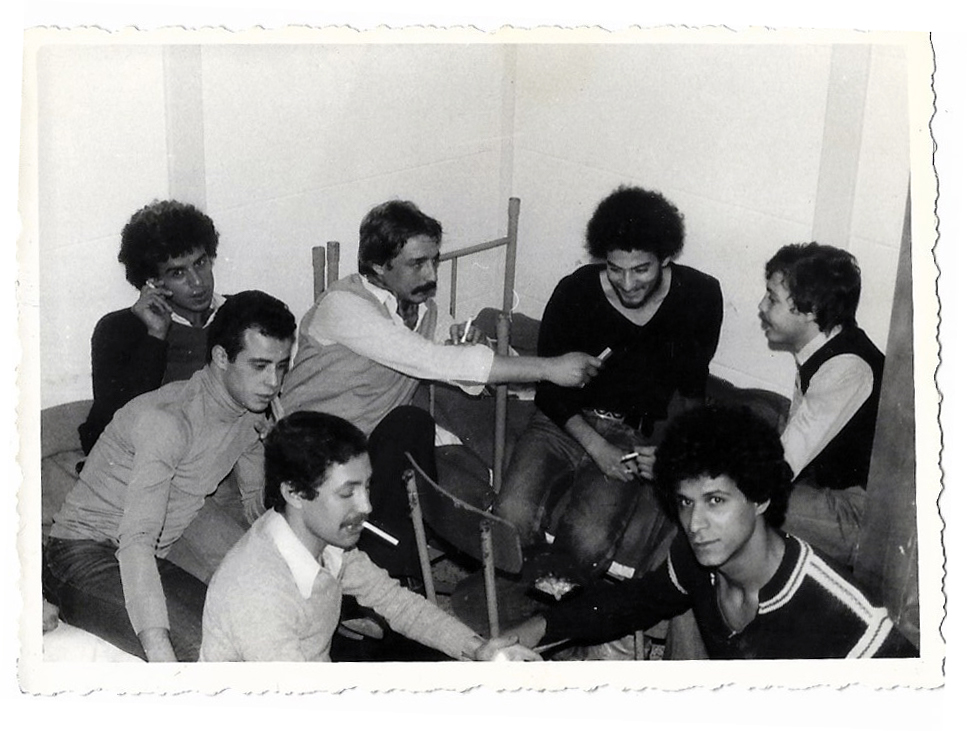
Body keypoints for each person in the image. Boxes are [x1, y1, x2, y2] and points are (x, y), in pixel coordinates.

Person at [279, 199, 601, 580]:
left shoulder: (422, 312)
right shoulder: (344, 306)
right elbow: (429, 360)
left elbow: (461, 363)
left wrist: (472, 343)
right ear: (379, 266)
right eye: (417, 264)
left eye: (434, 261)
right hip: (306, 447)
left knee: (413, 425)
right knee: (411, 425)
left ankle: (392, 575)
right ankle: (393, 577)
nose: (430, 275)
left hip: (361, 446)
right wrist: (549, 368)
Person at [507, 404, 917, 659]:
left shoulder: (846, 617)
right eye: (685, 502)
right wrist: (535, 629)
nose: (695, 524)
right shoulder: (695, 560)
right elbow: (634, 601)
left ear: (760, 498)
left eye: (716, 501)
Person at [43, 291, 297, 662]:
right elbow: (137, 540)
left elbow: (254, 509)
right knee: (211, 654)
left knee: (254, 632)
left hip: (149, 554)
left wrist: (282, 454)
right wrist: (162, 656)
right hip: (81, 553)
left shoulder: (250, 415)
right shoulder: (167, 421)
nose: (273, 382)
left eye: (281, 365)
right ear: (222, 357)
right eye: (259, 366)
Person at [493, 186, 723, 584]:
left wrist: (669, 451)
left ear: (666, 259)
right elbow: (549, 387)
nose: (628, 283)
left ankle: (553, 610)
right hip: (562, 421)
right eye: (616, 269)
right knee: (509, 520)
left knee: (587, 541)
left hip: (633, 435)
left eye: (641, 270)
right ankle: (520, 597)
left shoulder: (699, 296)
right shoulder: (576, 291)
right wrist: (596, 447)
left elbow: (692, 391)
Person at [200, 411, 539, 663]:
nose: (365, 505)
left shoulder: (324, 540)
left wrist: (476, 648)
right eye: (347, 493)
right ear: (295, 494)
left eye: (367, 486)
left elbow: (395, 602)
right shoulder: (260, 594)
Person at [758, 243, 884, 565]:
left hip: (865, 517)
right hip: (835, 491)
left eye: (772, 298)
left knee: (734, 500)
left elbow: (784, 463)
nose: (761, 306)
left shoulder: (847, 368)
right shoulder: (823, 348)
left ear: (810, 308)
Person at [79, 200, 223, 454]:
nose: (198, 282)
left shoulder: (240, 313)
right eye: (178, 273)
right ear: (153, 281)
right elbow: (112, 426)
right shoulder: (118, 329)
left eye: (200, 263)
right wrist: (155, 336)